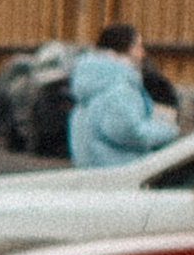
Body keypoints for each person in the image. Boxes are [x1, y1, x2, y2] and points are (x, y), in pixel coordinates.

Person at [67, 22, 175, 168]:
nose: (142, 53)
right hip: (119, 170)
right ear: (123, 49)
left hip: (92, 168)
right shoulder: (118, 88)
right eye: (138, 46)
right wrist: (168, 131)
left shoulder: (91, 83)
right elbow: (130, 132)